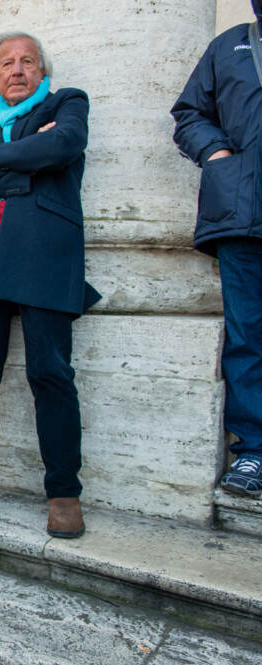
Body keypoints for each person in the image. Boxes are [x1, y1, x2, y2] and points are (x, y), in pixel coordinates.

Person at [0, 31, 100, 538]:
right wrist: (26, 165)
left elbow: (65, 143)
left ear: (41, 70)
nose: (16, 70)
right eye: (6, 63)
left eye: (27, 61)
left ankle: (63, 491)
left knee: (50, 372)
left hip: (42, 253)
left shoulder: (67, 103)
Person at [171, 1, 262, 499]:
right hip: (243, 214)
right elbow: (188, 113)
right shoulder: (229, 45)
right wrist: (217, 153)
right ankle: (253, 450)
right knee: (248, 334)